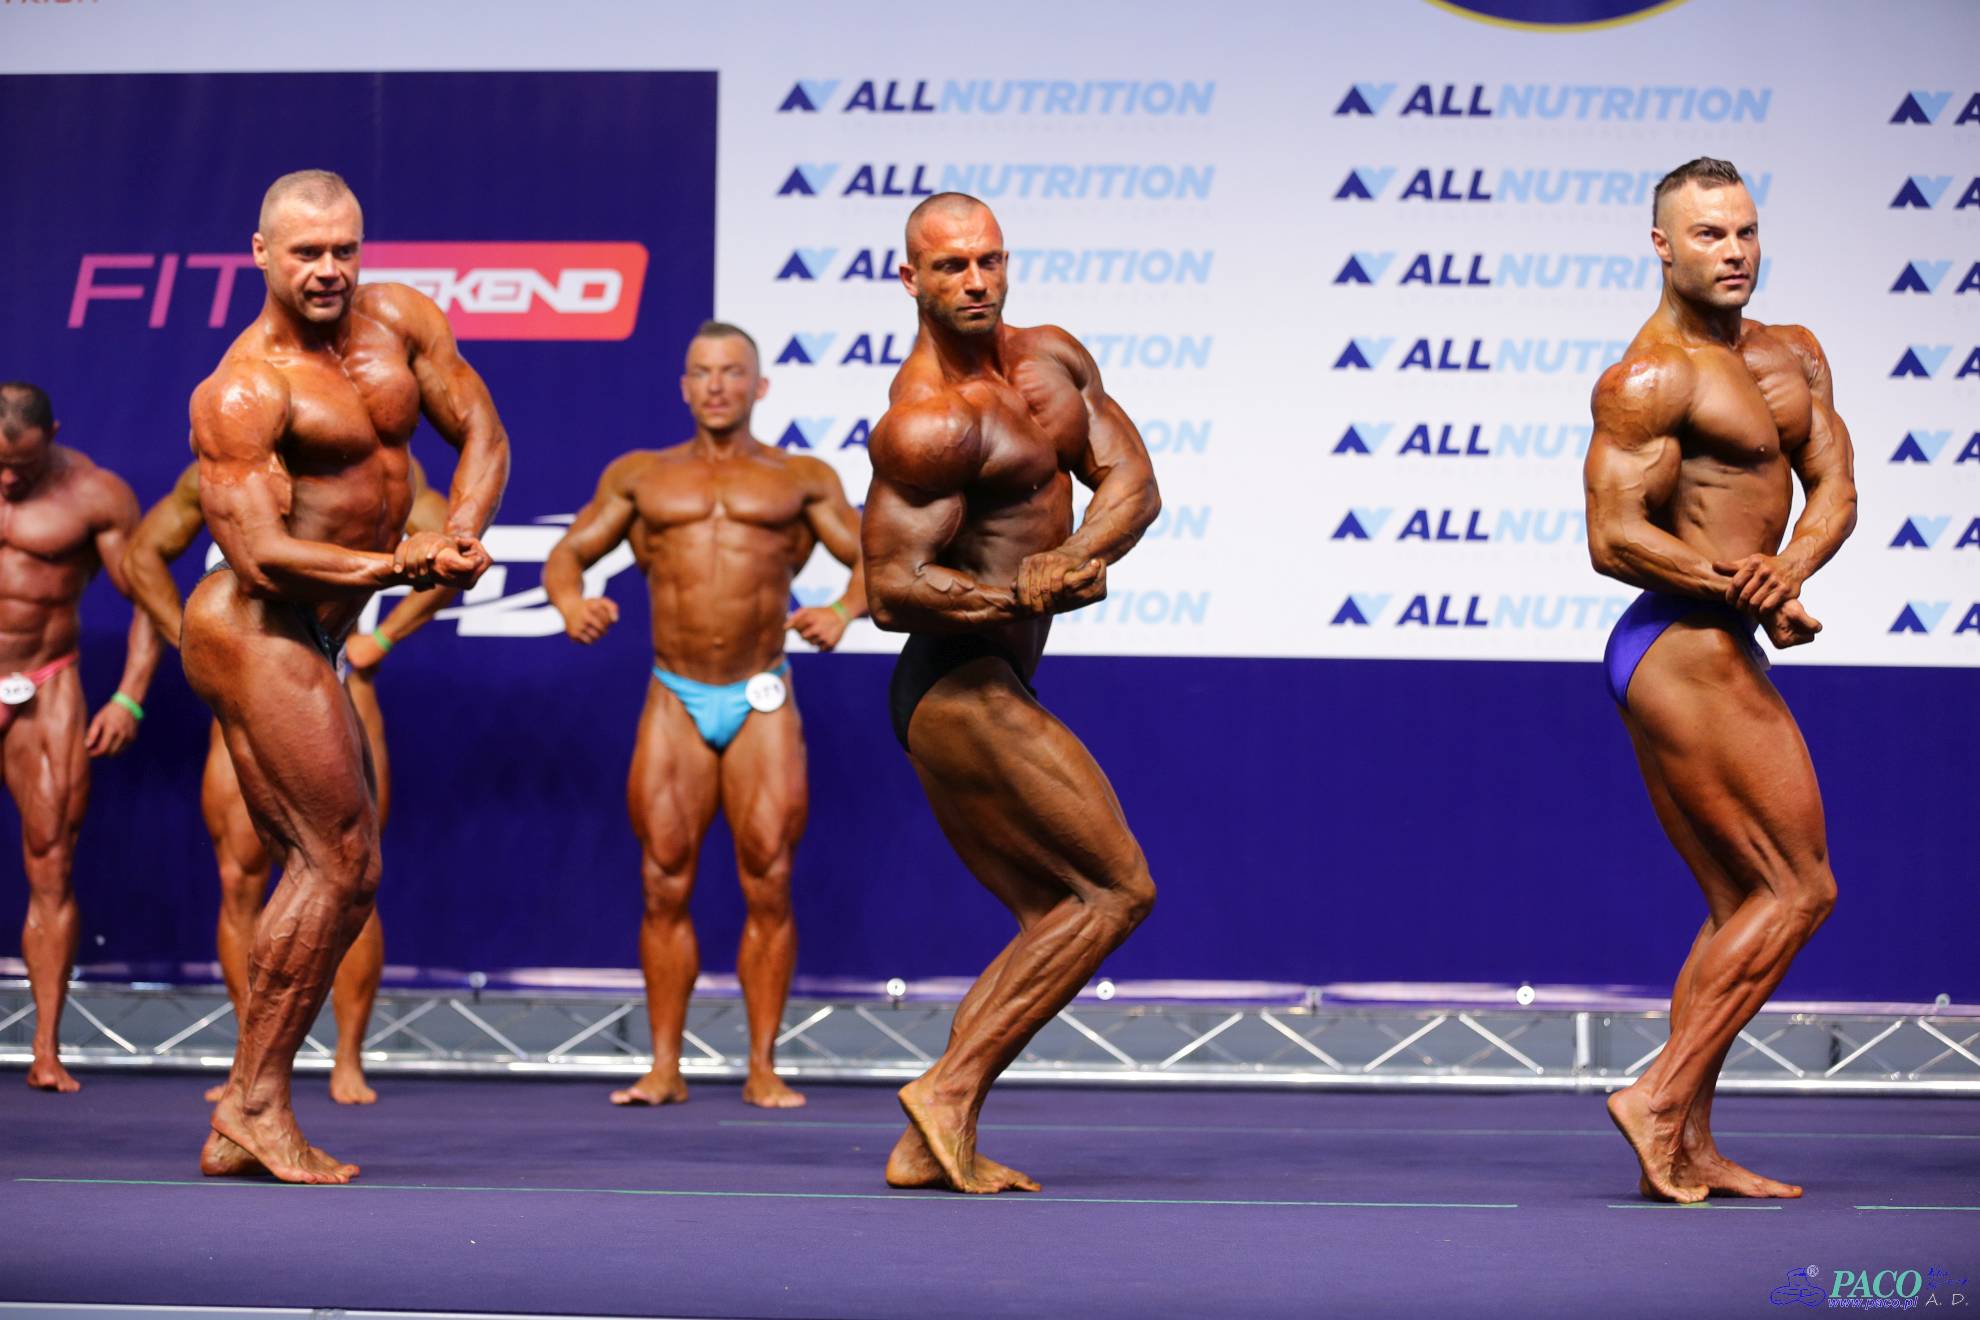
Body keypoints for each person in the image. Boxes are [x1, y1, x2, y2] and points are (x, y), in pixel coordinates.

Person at [181, 169, 507, 1183]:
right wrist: (397, 566)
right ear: (261, 254)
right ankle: (253, 1105)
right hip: (252, 628)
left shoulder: (402, 323)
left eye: (343, 250)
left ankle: (245, 1108)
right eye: (306, 252)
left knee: (341, 873)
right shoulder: (245, 386)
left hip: (317, 634)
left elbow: (483, 433)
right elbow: (258, 557)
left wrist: (459, 531)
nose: (327, 269)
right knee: (338, 863)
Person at [860, 194, 1160, 1194]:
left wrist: (1073, 556)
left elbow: (1133, 482)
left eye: (988, 260)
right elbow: (891, 590)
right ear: (910, 280)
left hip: (995, 676)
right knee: (1117, 889)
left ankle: (928, 1138)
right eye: (950, 267)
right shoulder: (928, 422)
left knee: (1055, 915)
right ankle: (946, 1090)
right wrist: (1016, 595)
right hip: (956, 684)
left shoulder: (1052, 360)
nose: (975, 281)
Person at [1584, 158, 1856, 1203]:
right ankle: (1657, 1096)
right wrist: (1741, 585)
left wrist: (1789, 570)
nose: (1734, 251)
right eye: (1708, 235)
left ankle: (1688, 1143)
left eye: (1744, 231)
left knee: (1741, 899)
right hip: (1679, 643)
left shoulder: (1794, 354)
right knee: (1800, 888)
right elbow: (1614, 536)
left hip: (1721, 634)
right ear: (1663, 247)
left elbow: (1835, 486)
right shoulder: (1650, 377)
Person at [544, 321, 865, 1110]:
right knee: (663, 881)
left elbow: (873, 561)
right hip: (676, 697)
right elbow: (568, 554)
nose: (717, 385)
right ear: (683, 387)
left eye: (732, 371)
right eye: (702, 372)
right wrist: (571, 603)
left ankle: (763, 1067)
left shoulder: (802, 478)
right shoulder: (641, 476)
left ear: (760, 386)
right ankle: (663, 1067)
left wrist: (842, 611)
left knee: (770, 878)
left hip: (761, 694)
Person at [125, 457, 458, 1105]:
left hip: (338, 682)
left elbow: (454, 550)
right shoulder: (223, 470)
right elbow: (142, 556)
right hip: (247, 687)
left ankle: (347, 1058)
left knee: (353, 876)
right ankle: (250, 1065)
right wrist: (191, 639)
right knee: (239, 877)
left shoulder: (381, 466)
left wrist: (386, 638)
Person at [0, 381, 161, 1092]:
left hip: (45, 685)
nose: (9, 481)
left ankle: (44, 1050)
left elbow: (151, 598)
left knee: (51, 861)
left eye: (23, 466)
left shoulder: (96, 495)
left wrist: (129, 697)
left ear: (54, 435)